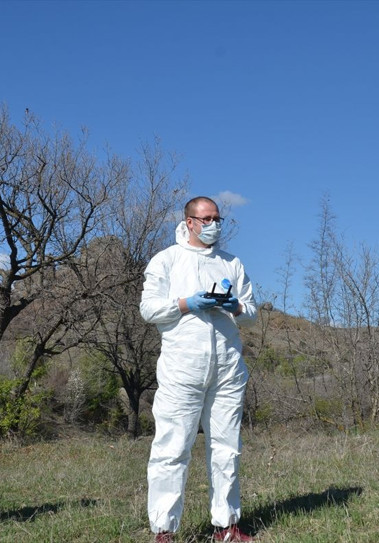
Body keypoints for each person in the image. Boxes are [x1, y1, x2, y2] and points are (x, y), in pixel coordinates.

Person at [140, 197, 258, 543]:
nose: (214, 226)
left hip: (227, 369)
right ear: (189, 222)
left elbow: (251, 311)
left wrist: (234, 305)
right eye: (206, 219)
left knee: (227, 447)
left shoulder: (231, 263)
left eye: (218, 219)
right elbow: (148, 309)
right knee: (171, 449)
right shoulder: (167, 260)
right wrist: (186, 304)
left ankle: (227, 527)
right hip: (182, 369)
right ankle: (164, 530)